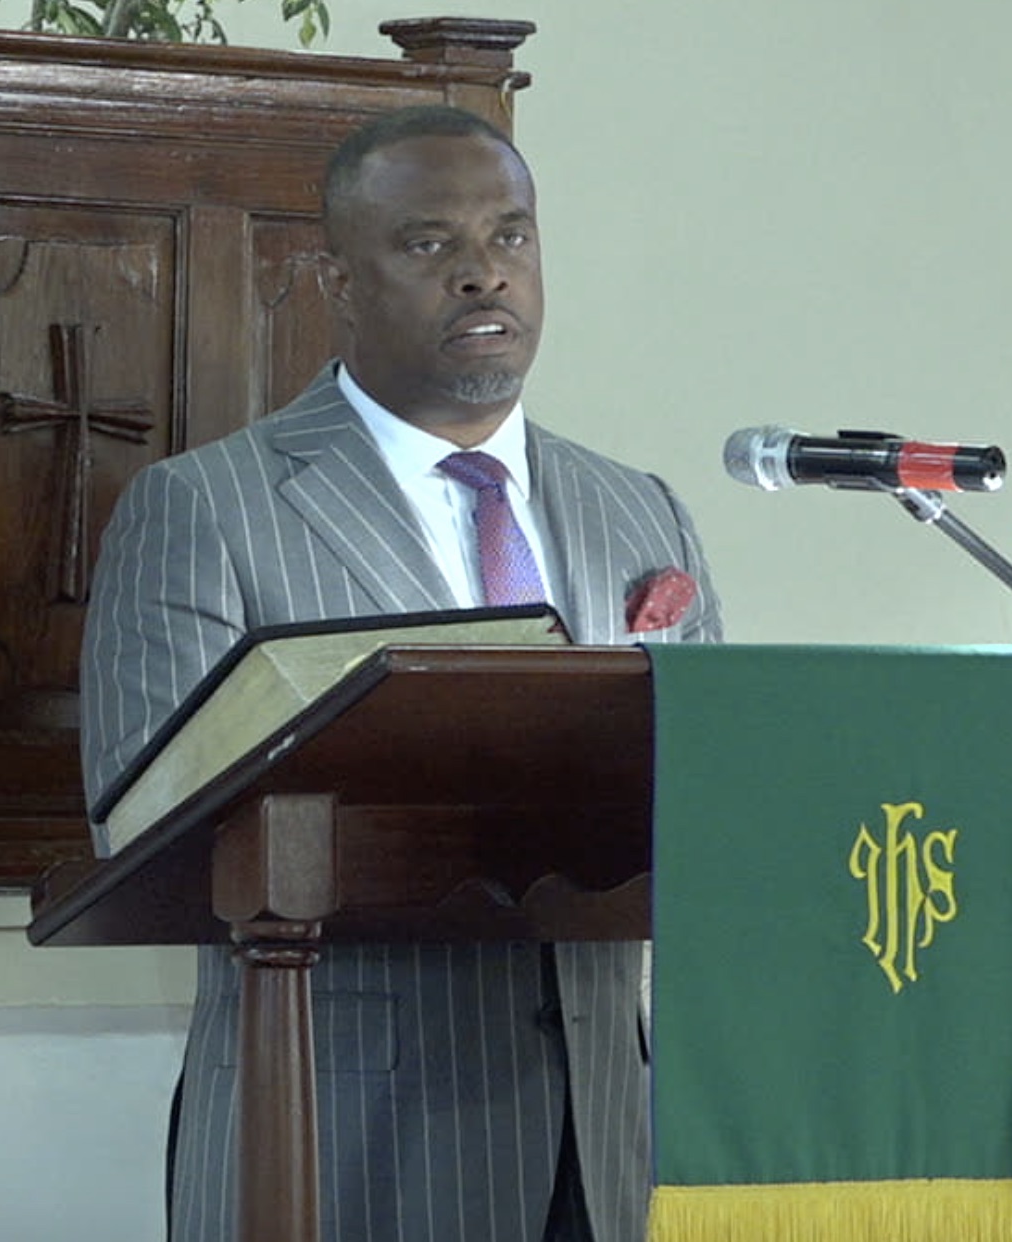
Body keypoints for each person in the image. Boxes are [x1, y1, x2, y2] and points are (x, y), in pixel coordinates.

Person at [79, 105, 722, 1242]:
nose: (483, 277)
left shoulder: (639, 509)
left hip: (608, 1137)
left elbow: (720, 793)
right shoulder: (206, 509)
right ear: (337, 279)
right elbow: (148, 838)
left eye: (509, 238)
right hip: (339, 1135)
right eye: (430, 245)